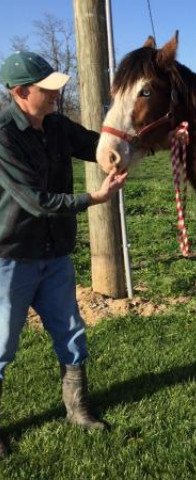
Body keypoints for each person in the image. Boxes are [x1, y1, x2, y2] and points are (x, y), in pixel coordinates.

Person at [0, 51, 127, 456]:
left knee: (70, 332)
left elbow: (93, 144)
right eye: (47, 89)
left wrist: (128, 146)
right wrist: (94, 197)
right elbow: (35, 201)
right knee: (1, 343)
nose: (56, 94)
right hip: (12, 255)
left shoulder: (55, 124)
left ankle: (78, 408)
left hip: (55, 252)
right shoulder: (3, 134)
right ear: (21, 92)